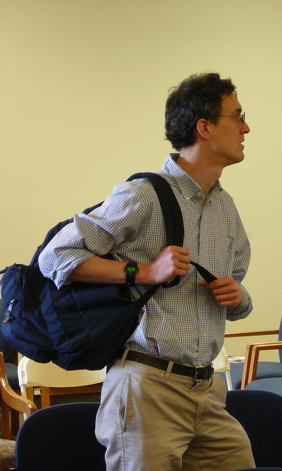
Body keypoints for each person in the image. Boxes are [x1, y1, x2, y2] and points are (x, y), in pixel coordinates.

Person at [39, 73, 255, 471]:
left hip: (207, 390)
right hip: (148, 388)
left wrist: (238, 297)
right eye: (237, 116)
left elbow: (238, 293)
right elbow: (55, 257)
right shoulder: (143, 195)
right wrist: (144, 271)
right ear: (204, 127)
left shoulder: (225, 207)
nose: (246, 128)